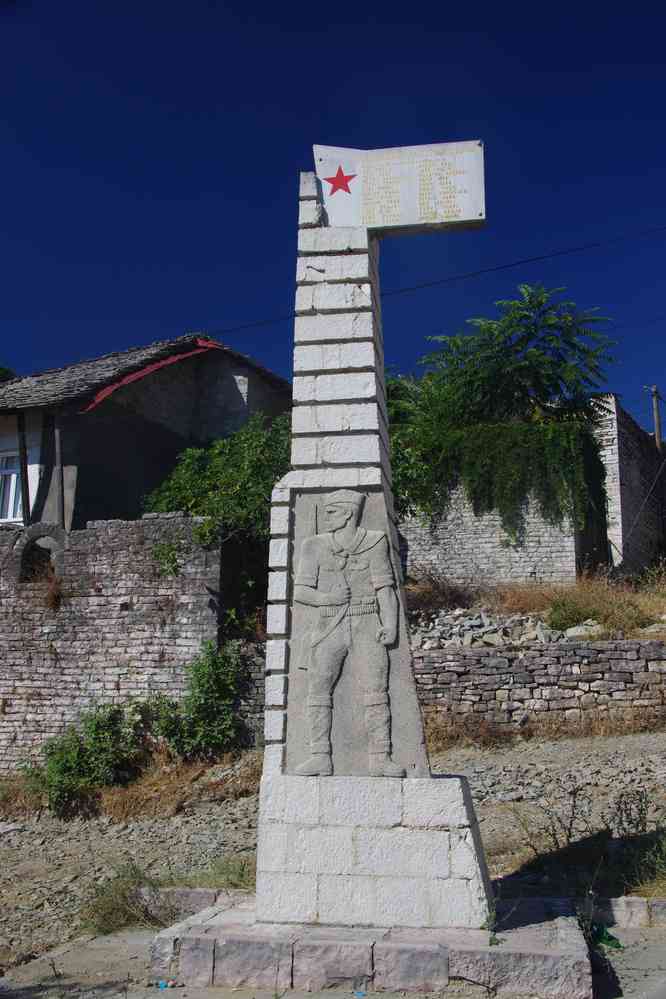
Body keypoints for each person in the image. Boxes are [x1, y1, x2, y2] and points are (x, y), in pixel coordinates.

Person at [293, 489, 405, 777]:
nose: (326, 516)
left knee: (376, 691)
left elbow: (385, 588)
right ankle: (320, 756)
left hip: (367, 622)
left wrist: (390, 624)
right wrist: (326, 598)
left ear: (348, 513)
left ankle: (381, 758)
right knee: (318, 690)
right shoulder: (314, 545)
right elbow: (301, 591)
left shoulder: (374, 541)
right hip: (329, 624)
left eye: (332, 512)